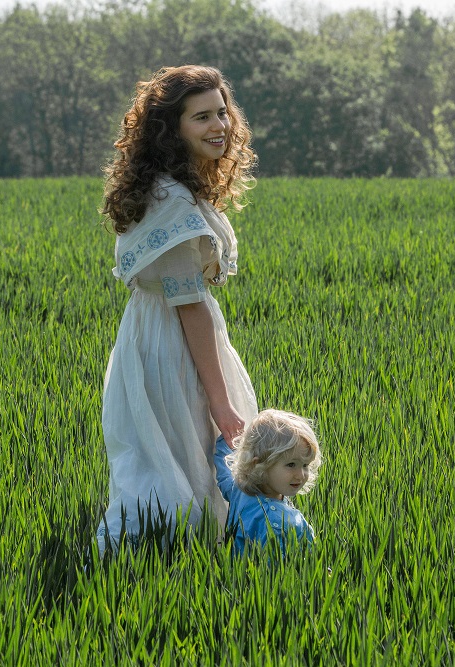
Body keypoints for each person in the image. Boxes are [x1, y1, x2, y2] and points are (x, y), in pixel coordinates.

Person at [95, 65, 258, 554]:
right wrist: (221, 400)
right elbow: (189, 307)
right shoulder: (174, 199)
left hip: (150, 337)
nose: (220, 127)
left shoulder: (166, 187)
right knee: (185, 453)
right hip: (173, 344)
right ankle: (164, 559)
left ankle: (171, 554)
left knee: (162, 454)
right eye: (201, 117)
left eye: (222, 113)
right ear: (172, 129)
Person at [214, 409, 322, 556]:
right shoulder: (281, 523)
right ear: (260, 466)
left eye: (305, 465)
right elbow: (282, 572)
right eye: (291, 465)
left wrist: (225, 441)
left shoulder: (239, 489)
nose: (301, 475)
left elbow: (225, 475)